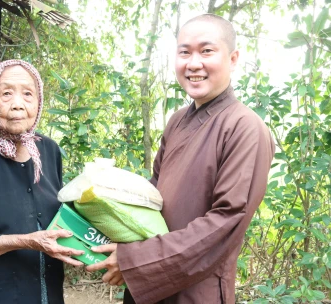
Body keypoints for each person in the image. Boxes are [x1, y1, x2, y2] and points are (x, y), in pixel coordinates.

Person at [87, 14, 275, 303]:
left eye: (207, 51)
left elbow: (225, 223)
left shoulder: (245, 127)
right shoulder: (177, 121)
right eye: (185, 52)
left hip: (197, 290)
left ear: (233, 59)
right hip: (150, 283)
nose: (194, 63)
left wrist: (137, 261)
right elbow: (152, 195)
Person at [0, 59, 84, 304]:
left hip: (46, 292)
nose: (17, 105)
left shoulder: (49, 151)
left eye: (28, 94)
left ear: (39, 101)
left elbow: (60, 216)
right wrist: (28, 241)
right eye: (6, 93)